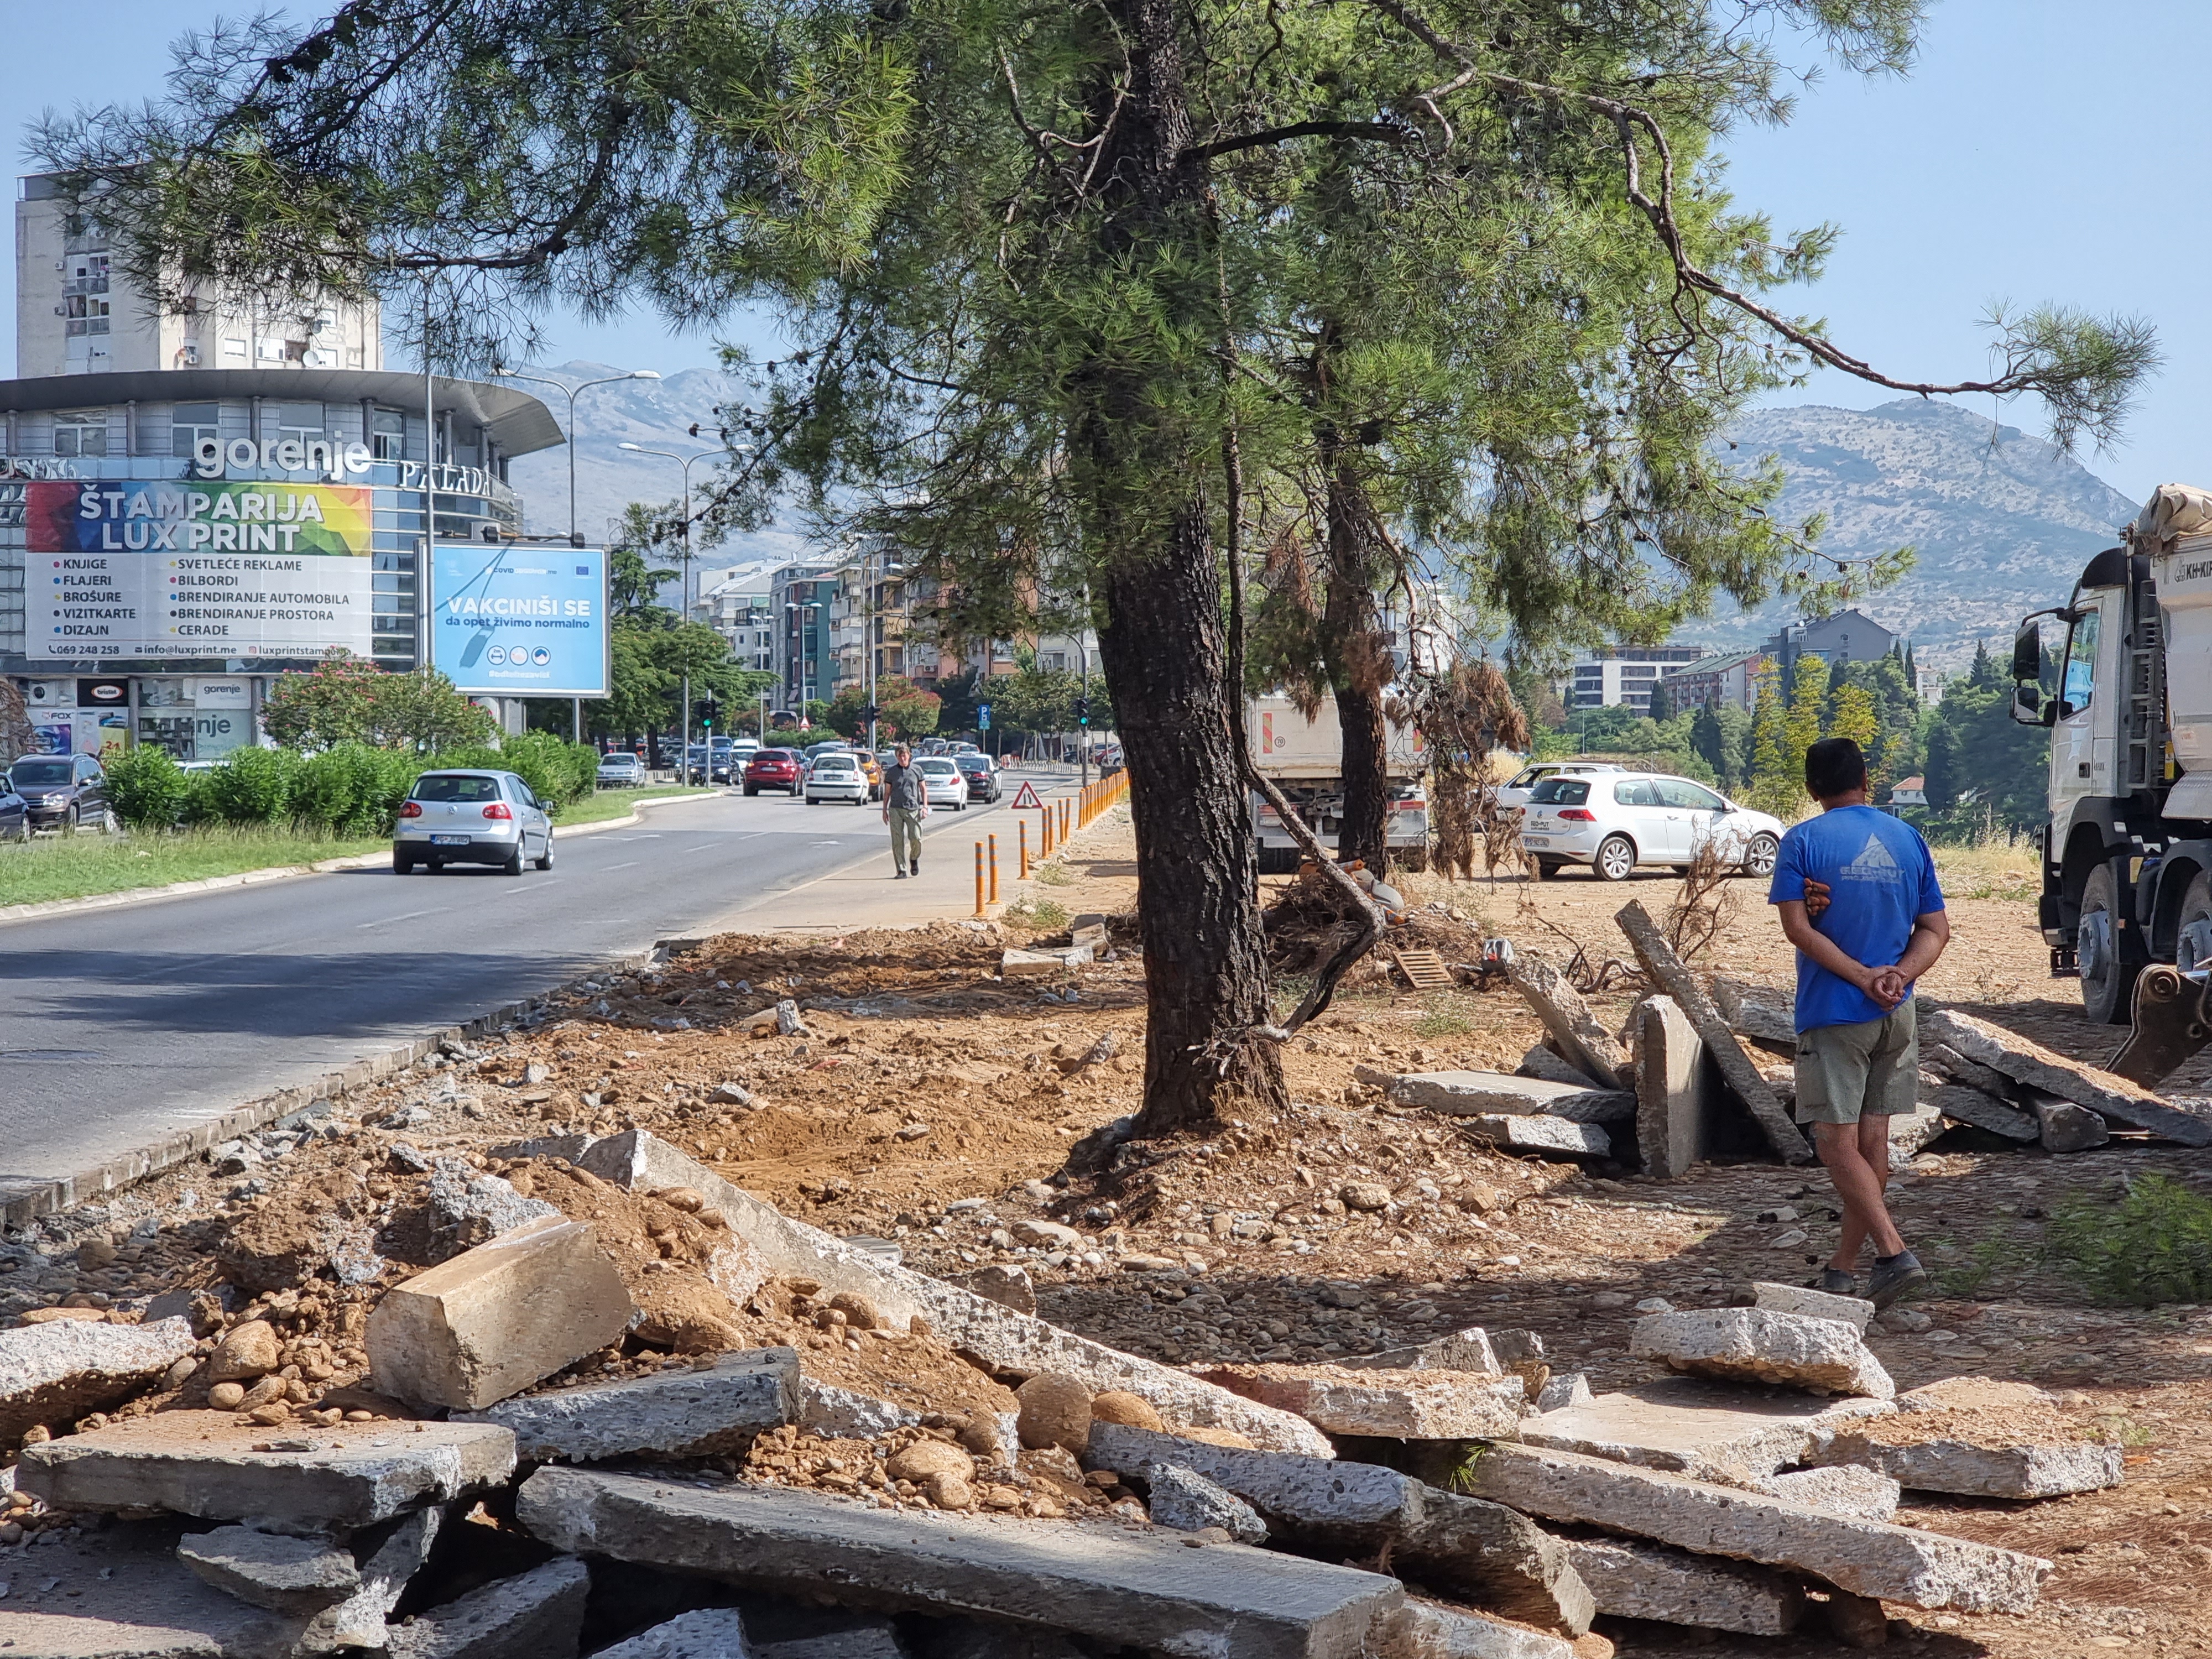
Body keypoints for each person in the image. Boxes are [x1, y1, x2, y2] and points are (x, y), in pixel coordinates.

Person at [1769, 735, 1949, 1309]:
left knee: (1834, 1143)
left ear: (1811, 788)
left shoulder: (1802, 841)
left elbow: (1797, 929)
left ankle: (1894, 1253)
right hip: (1897, 1014)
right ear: (1866, 781)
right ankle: (1844, 1268)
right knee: (1873, 1144)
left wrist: (1861, 977)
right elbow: (1936, 929)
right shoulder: (1908, 839)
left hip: (1835, 1012)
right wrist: (1897, 977)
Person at [880, 743, 928, 878]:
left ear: (909, 755)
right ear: (897, 757)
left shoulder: (917, 770)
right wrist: (884, 811)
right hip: (895, 809)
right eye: (900, 756)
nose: (902, 759)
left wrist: (925, 807)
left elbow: (924, 789)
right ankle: (901, 870)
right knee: (897, 840)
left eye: (904, 756)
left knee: (916, 838)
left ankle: (914, 859)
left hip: (913, 809)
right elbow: (887, 793)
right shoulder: (892, 772)